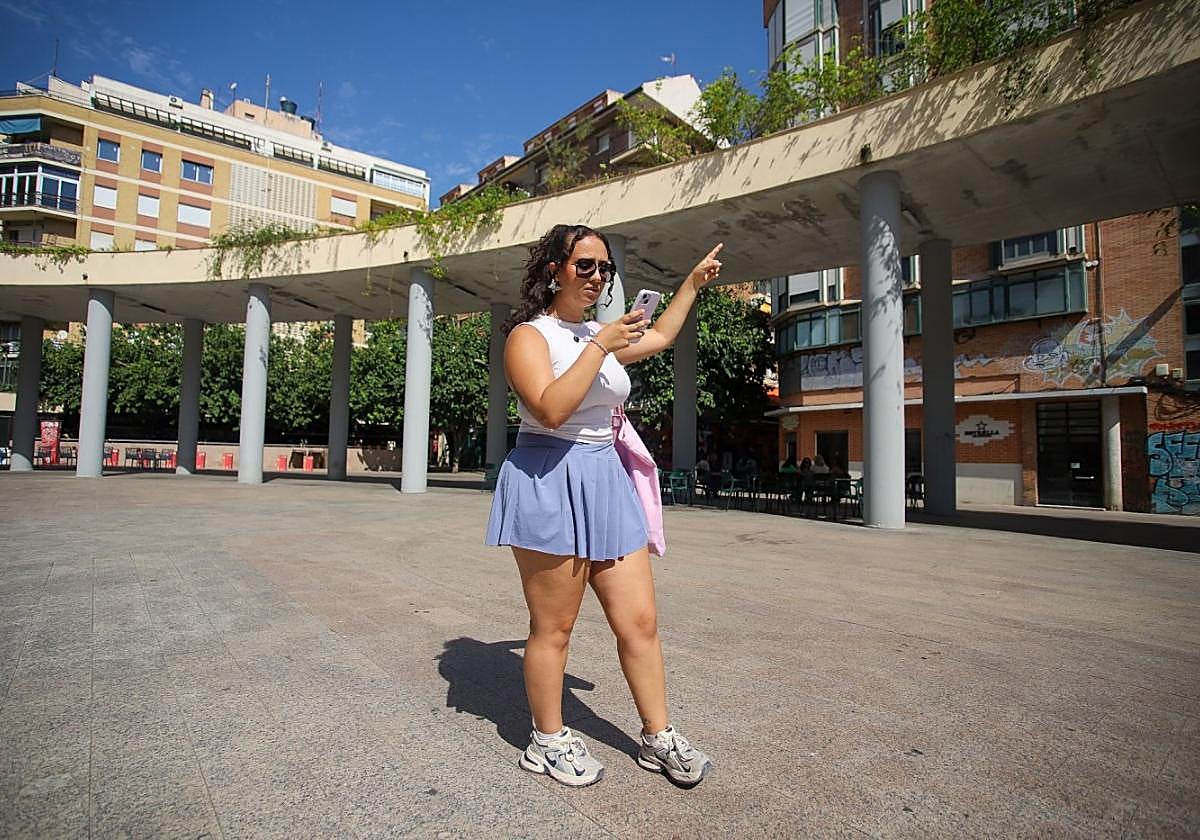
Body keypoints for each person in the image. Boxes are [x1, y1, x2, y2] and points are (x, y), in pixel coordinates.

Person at [486, 223, 720, 789]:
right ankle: (545, 741)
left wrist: (690, 284)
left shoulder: (599, 333)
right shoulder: (528, 337)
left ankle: (657, 735)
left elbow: (660, 337)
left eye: (605, 268)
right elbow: (549, 409)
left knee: (640, 621)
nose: (598, 277)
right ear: (554, 271)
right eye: (585, 265)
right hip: (549, 474)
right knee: (554, 628)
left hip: (606, 478)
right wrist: (598, 345)